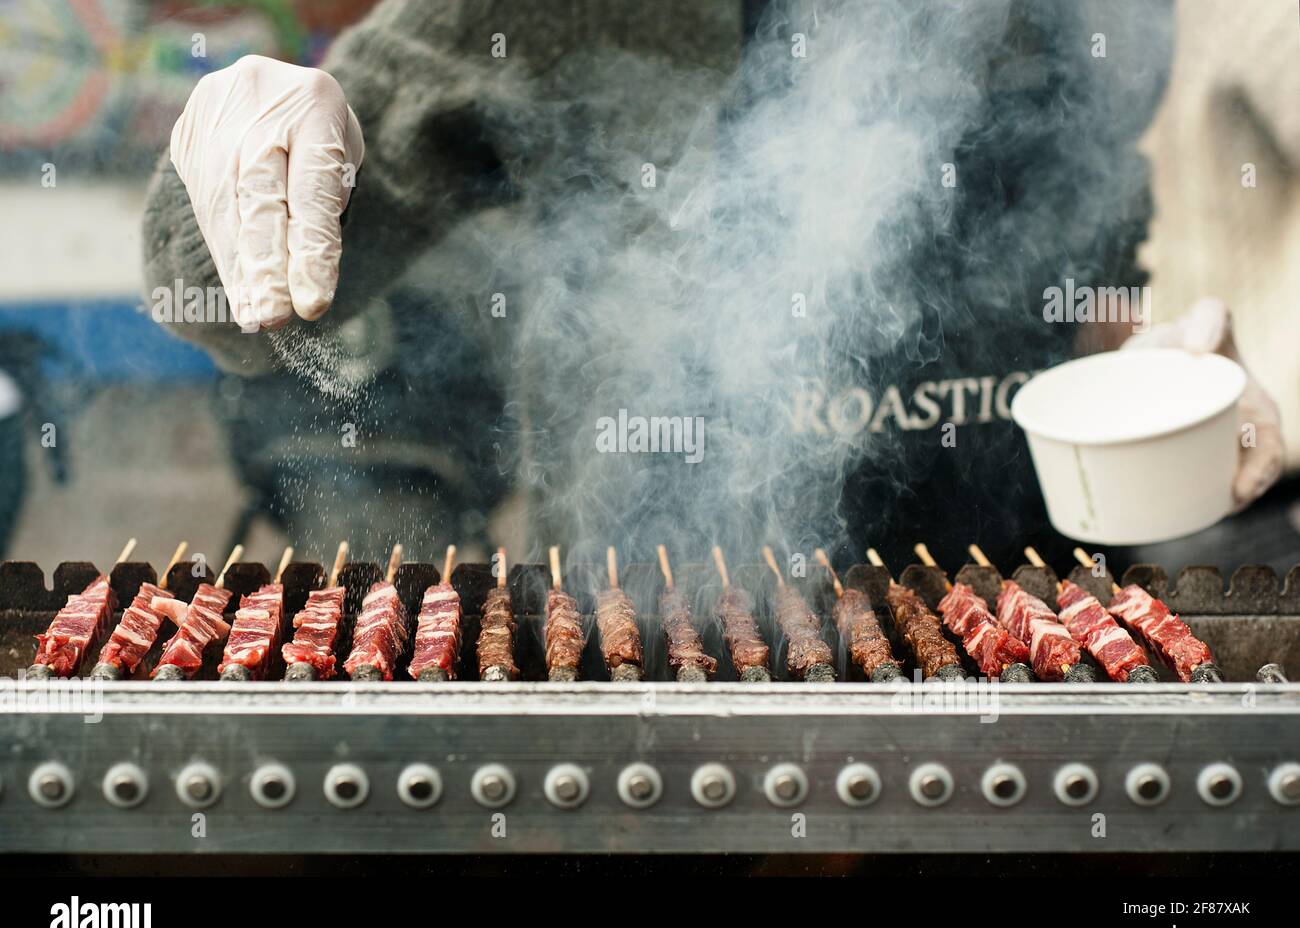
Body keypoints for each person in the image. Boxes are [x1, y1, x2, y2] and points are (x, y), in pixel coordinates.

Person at [142, 0, 1284, 572]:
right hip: (666, 688)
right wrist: (245, 134)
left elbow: (1082, 272)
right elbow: (238, 303)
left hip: (1017, 642)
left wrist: (1148, 395)